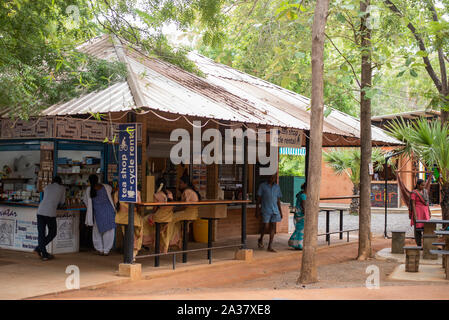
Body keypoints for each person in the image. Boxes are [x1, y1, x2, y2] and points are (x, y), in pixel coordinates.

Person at [34, 176, 66, 261]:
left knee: (41, 233)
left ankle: (42, 252)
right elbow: (62, 202)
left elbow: (45, 198)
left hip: (40, 211)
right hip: (50, 213)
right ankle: (40, 250)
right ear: (61, 182)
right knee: (53, 232)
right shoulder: (62, 188)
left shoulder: (47, 186)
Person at [83, 174, 116, 256]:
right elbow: (112, 190)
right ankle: (106, 250)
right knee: (109, 231)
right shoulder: (106, 187)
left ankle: (100, 249)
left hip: (98, 212)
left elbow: (86, 201)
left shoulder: (89, 189)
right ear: (98, 179)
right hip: (109, 210)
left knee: (97, 231)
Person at [256, 173, 283, 252]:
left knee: (273, 227)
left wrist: (280, 212)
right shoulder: (262, 186)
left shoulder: (277, 187)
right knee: (266, 226)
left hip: (275, 210)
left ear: (275, 178)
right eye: (270, 176)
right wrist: (257, 210)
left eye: (274, 177)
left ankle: (270, 246)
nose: (272, 178)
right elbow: (259, 199)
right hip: (266, 209)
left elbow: (278, 200)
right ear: (267, 177)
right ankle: (260, 239)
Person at [114, 188, 143, 260]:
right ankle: (132, 255)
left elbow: (116, 205)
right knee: (136, 235)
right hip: (134, 217)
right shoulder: (137, 192)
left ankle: (129, 255)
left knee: (127, 236)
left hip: (122, 217)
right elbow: (139, 205)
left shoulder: (117, 192)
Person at [410, 179, 431, 246]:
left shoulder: (425, 192)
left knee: (426, 228)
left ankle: (426, 245)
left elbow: (427, 203)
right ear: (418, 185)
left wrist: (429, 211)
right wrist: (415, 215)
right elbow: (413, 204)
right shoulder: (414, 193)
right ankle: (419, 244)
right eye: (422, 185)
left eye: (424, 185)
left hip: (425, 212)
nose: (423, 186)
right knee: (418, 229)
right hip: (418, 211)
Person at [289, 182, 306, 250]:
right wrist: (306, 213)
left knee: (299, 229)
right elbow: (303, 205)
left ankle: (296, 244)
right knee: (301, 229)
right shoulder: (303, 195)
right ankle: (297, 244)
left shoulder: (300, 194)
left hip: (297, 214)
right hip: (301, 214)